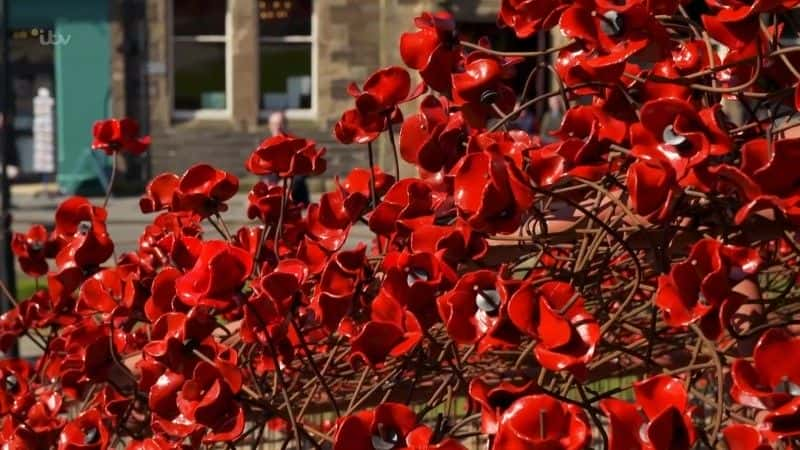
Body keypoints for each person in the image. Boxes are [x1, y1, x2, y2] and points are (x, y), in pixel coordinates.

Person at [264, 111, 310, 205]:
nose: (278, 127)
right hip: (274, 198)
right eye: (274, 124)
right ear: (269, 126)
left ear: (285, 125)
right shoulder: (264, 147)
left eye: (280, 124)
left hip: (296, 197)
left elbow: (305, 169)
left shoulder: (295, 145)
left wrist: (289, 181)